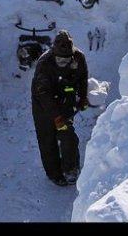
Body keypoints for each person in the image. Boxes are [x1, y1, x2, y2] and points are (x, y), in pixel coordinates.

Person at [31, 30, 89, 186]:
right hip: (43, 103)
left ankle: (71, 169)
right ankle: (54, 173)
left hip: (65, 98)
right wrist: (56, 118)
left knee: (68, 134)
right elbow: (44, 95)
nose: (63, 63)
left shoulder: (78, 58)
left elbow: (83, 78)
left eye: (66, 60)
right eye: (60, 60)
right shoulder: (45, 64)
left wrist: (82, 97)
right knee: (47, 137)